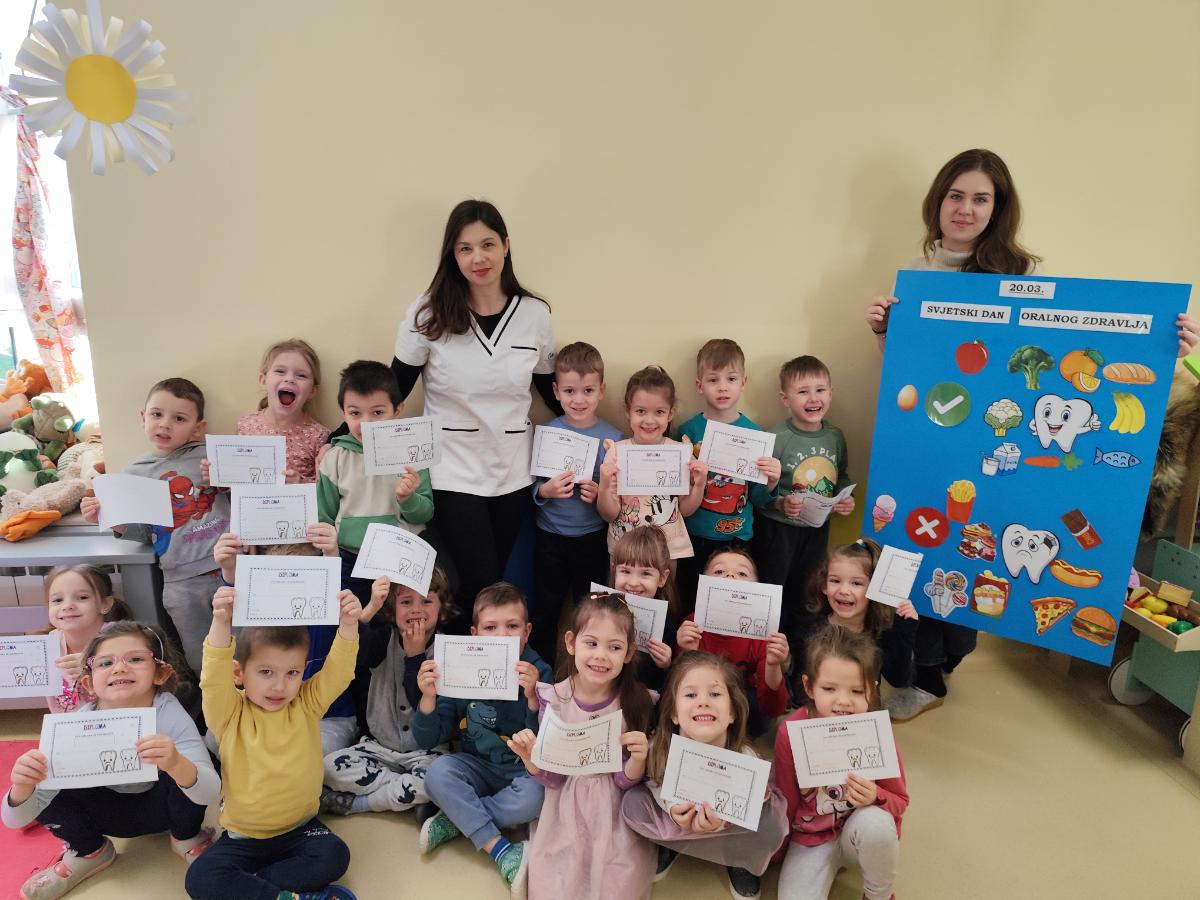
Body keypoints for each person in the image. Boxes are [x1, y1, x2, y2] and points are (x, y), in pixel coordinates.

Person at [390, 200, 560, 613]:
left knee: (493, 580)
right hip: (451, 468)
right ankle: (455, 653)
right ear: (452, 254)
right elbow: (394, 387)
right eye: (465, 248)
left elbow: (551, 390)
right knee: (477, 580)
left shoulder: (534, 315)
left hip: (513, 468)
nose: (478, 258)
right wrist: (345, 434)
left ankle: (476, 651)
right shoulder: (428, 312)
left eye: (487, 245)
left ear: (506, 246)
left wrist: (602, 434)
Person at [4, 622, 218, 899]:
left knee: (199, 763)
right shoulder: (76, 726)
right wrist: (22, 789)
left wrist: (177, 764)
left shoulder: (169, 713)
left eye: (136, 659)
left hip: (164, 812)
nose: (119, 668)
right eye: (105, 663)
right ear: (89, 683)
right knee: (43, 775)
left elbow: (210, 790)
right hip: (105, 815)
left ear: (160, 672)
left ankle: (186, 837)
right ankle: (88, 851)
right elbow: (14, 819)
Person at [185, 587, 362, 900]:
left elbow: (339, 672)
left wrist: (348, 625)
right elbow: (212, 678)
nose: (280, 686)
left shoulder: (307, 703)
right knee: (199, 879)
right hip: (243, 838)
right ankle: (284, 896)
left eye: (292, 672)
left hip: (301, 830)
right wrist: (221, 622)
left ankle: (253, 888)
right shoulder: (228, 712)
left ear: (303, 670)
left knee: (335, 855)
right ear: (239, 673)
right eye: (266, 672)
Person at [507, 592, 657, 900]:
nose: (601, 656)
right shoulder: (555, 700)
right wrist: (531, 758)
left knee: (617, 882)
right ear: (571, 642)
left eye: (614, 647)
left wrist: (638, 759)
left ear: (629, 653)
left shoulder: (634, 702)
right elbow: (554, 779)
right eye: (591, 643)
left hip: (612, 809)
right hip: (565, 807)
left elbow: (624, 781)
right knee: (556, 882)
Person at [80, 378, 229, 675]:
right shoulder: (133, 475)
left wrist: (225, 479)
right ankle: (210, 702)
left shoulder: (212, 456)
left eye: (179, 418)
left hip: (230, 568)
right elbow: (142, 532)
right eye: (157, 414)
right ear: (143, 417)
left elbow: (250, 497)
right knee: (201, 657)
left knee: (248, 648)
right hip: (181, 580)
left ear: (198, 427)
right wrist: (105, 517)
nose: (165, 424)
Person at [412, 582, 553, 894]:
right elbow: (428, 738)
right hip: (476, 766)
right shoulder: (458, 665)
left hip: (522, 769)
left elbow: (547, 743)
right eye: (491, 627)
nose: (502, 636)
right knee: (436, 773)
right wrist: (428, 697)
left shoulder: (539, 671)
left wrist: (533, 697)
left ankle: (458, 819)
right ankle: (501, 849)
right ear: (474, 634)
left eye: (512, 626)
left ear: (527, 632)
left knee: (536, 799)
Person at [621, 650, 789, 900]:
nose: (703, 702)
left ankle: (739, 859)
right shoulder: (660, 748)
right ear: (674, 713)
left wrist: (721, 822)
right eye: (691, 695)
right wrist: (672, 809)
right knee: (633, 803)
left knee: (770, 822)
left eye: (715, 694)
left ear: (732, 713)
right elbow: (654, 782)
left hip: (727, 829)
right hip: (676, 818)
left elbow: (754, 802)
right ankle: (671, 844)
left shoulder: (746, 759)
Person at [774, 625, 908, 900]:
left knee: (877, 825)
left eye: (857, 691)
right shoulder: (790, 732)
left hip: (860, 833)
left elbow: (900, 801)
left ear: (872, 691)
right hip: (809, 838)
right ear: (809, 686)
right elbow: (786, 799)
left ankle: (878, 896)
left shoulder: (876, 732)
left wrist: (876, 795)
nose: (844, 701)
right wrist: (777, 850)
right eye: (829, 688)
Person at [320, 566, 454, 816]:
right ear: (393, 609)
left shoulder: (448, 649)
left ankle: (359, 804)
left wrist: (415, 657)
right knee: (327, 768)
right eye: (406, 602)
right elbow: (355, 651)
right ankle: (407, 793)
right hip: (378, 748)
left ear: (442, 608)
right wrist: (371, 607)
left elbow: (422, 709)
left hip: (427, 752)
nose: (416, 609)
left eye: (426, 601)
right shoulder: (384, 638)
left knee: (445, 778)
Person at [528, 342, 623, 663]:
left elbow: (619, 496)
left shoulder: (613, 438)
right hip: (549, 536)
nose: (578, 400)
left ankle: (588, 670)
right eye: (569, 391)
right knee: (545, 608)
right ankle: (542, 671)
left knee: (591, 611)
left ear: (601, 391)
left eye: (588, 391)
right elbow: (532, 487)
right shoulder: (546, 433)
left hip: (592, 538)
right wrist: (546, 491)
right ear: (556, 391)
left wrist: (599, 494)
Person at [751, 356, 854, 644]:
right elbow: (757, 492)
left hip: (817, 530)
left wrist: (846, 498)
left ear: (830, 394)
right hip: (777, 531)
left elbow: (841, 475)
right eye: (803, 392)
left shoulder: (835, 436)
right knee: (773, 590)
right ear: (785, 399)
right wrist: (781, 503)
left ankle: (801, 649)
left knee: (809, 591)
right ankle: (769, 647)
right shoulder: (776, 436)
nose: (813, 398)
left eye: (820, 390)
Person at [318, 359, 435, 606]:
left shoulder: (412, 455)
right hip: (349, 558)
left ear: (398, 410)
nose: (366, 422)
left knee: (392, 621)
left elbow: (425, 513)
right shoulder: (335, 458)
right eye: (355, 413)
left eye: (378, 413)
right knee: (351, 618)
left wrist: (408, 498)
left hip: (399, 559)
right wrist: (328, 550)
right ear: (343, 413)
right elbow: (324, 515)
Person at [675, 339, 781, 603]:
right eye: (713, 380)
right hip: (693, 535)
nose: (722, 387)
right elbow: (677, 491)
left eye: (731, 379)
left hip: (736, 540)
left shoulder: (755, 435)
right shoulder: (688, 431)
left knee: (729, 605)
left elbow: (758, 498)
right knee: (690, 600)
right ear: (699, 385)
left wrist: (771, 482)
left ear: (743, 383)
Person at [598, 366, 707, 563]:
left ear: (670, 414)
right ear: (628, 411)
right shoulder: (616, 453)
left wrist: (699, 484)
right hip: (625, 548)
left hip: (668, 548)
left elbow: (686, 510)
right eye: (640, 411)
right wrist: (604, 486)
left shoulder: (680, 452)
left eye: (659, 412)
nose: (649, 420)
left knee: (667, 585)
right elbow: (609, 514)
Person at [676, 546, 789, 737]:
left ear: (757, 587)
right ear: (704, 582)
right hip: (700, 701)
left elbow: (772, 710)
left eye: (742, 573)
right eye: (719, 571)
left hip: (741, 705)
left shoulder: (763, 633)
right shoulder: (692, 625)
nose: (729, 575)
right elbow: (677, 689)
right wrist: (687, 652)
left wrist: (773, 665)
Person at [798, 539, 919, 691]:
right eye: (835, 581)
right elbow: (801, 682)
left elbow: (898, 678)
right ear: (824, 586)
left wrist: (905, 630)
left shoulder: (880, 635)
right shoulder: (810, 632)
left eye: (856, 583)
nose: (844, 590)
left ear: (875, 588)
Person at [236, 338, 331, 483]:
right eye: (280, 371)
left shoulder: (319, 436)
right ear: (263, 380)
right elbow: (235, 478)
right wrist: (216, 473)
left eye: (301, 375)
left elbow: (326, 489)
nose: (289, 379)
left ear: (313, 391)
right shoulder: (245, 425)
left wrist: (300, 483)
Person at [41, 564, 131, 713]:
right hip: (67, 724)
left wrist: (94, 667)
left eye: (82, 597)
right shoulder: (49, 643)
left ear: (105, 604)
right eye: (57, 600)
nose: (67, 606)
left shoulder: (122, 639)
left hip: (119, 721)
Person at [608, 526, 678, 691]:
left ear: (662, 578)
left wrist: (666, 664)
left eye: (645, 573)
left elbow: (665, 683)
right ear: (614, 570)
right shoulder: (600, 609)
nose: (633, 583)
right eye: (625, 571)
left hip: (644, 696)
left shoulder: (667, 624)